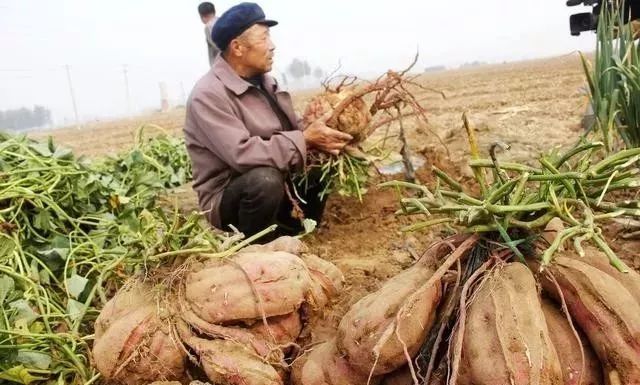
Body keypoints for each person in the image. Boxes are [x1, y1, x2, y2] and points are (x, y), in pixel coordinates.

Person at [184, 2, 352, 239]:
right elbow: (242, 154)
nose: (272, 46)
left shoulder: (266, 82)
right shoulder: (208, 95)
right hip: (230, 195)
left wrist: (315, 125)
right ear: (238, 47)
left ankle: (299, 234)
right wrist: (304, 139)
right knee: (264, 180)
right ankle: (254, 246)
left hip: (277, 179)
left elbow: (291, 131)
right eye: (264, 39)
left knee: (322, 158)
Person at [198, 2, 219, 66]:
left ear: (201, 16)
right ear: (214, 11)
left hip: (220, 66)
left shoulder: (208, 27)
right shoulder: (222, 21)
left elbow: (218, 46)